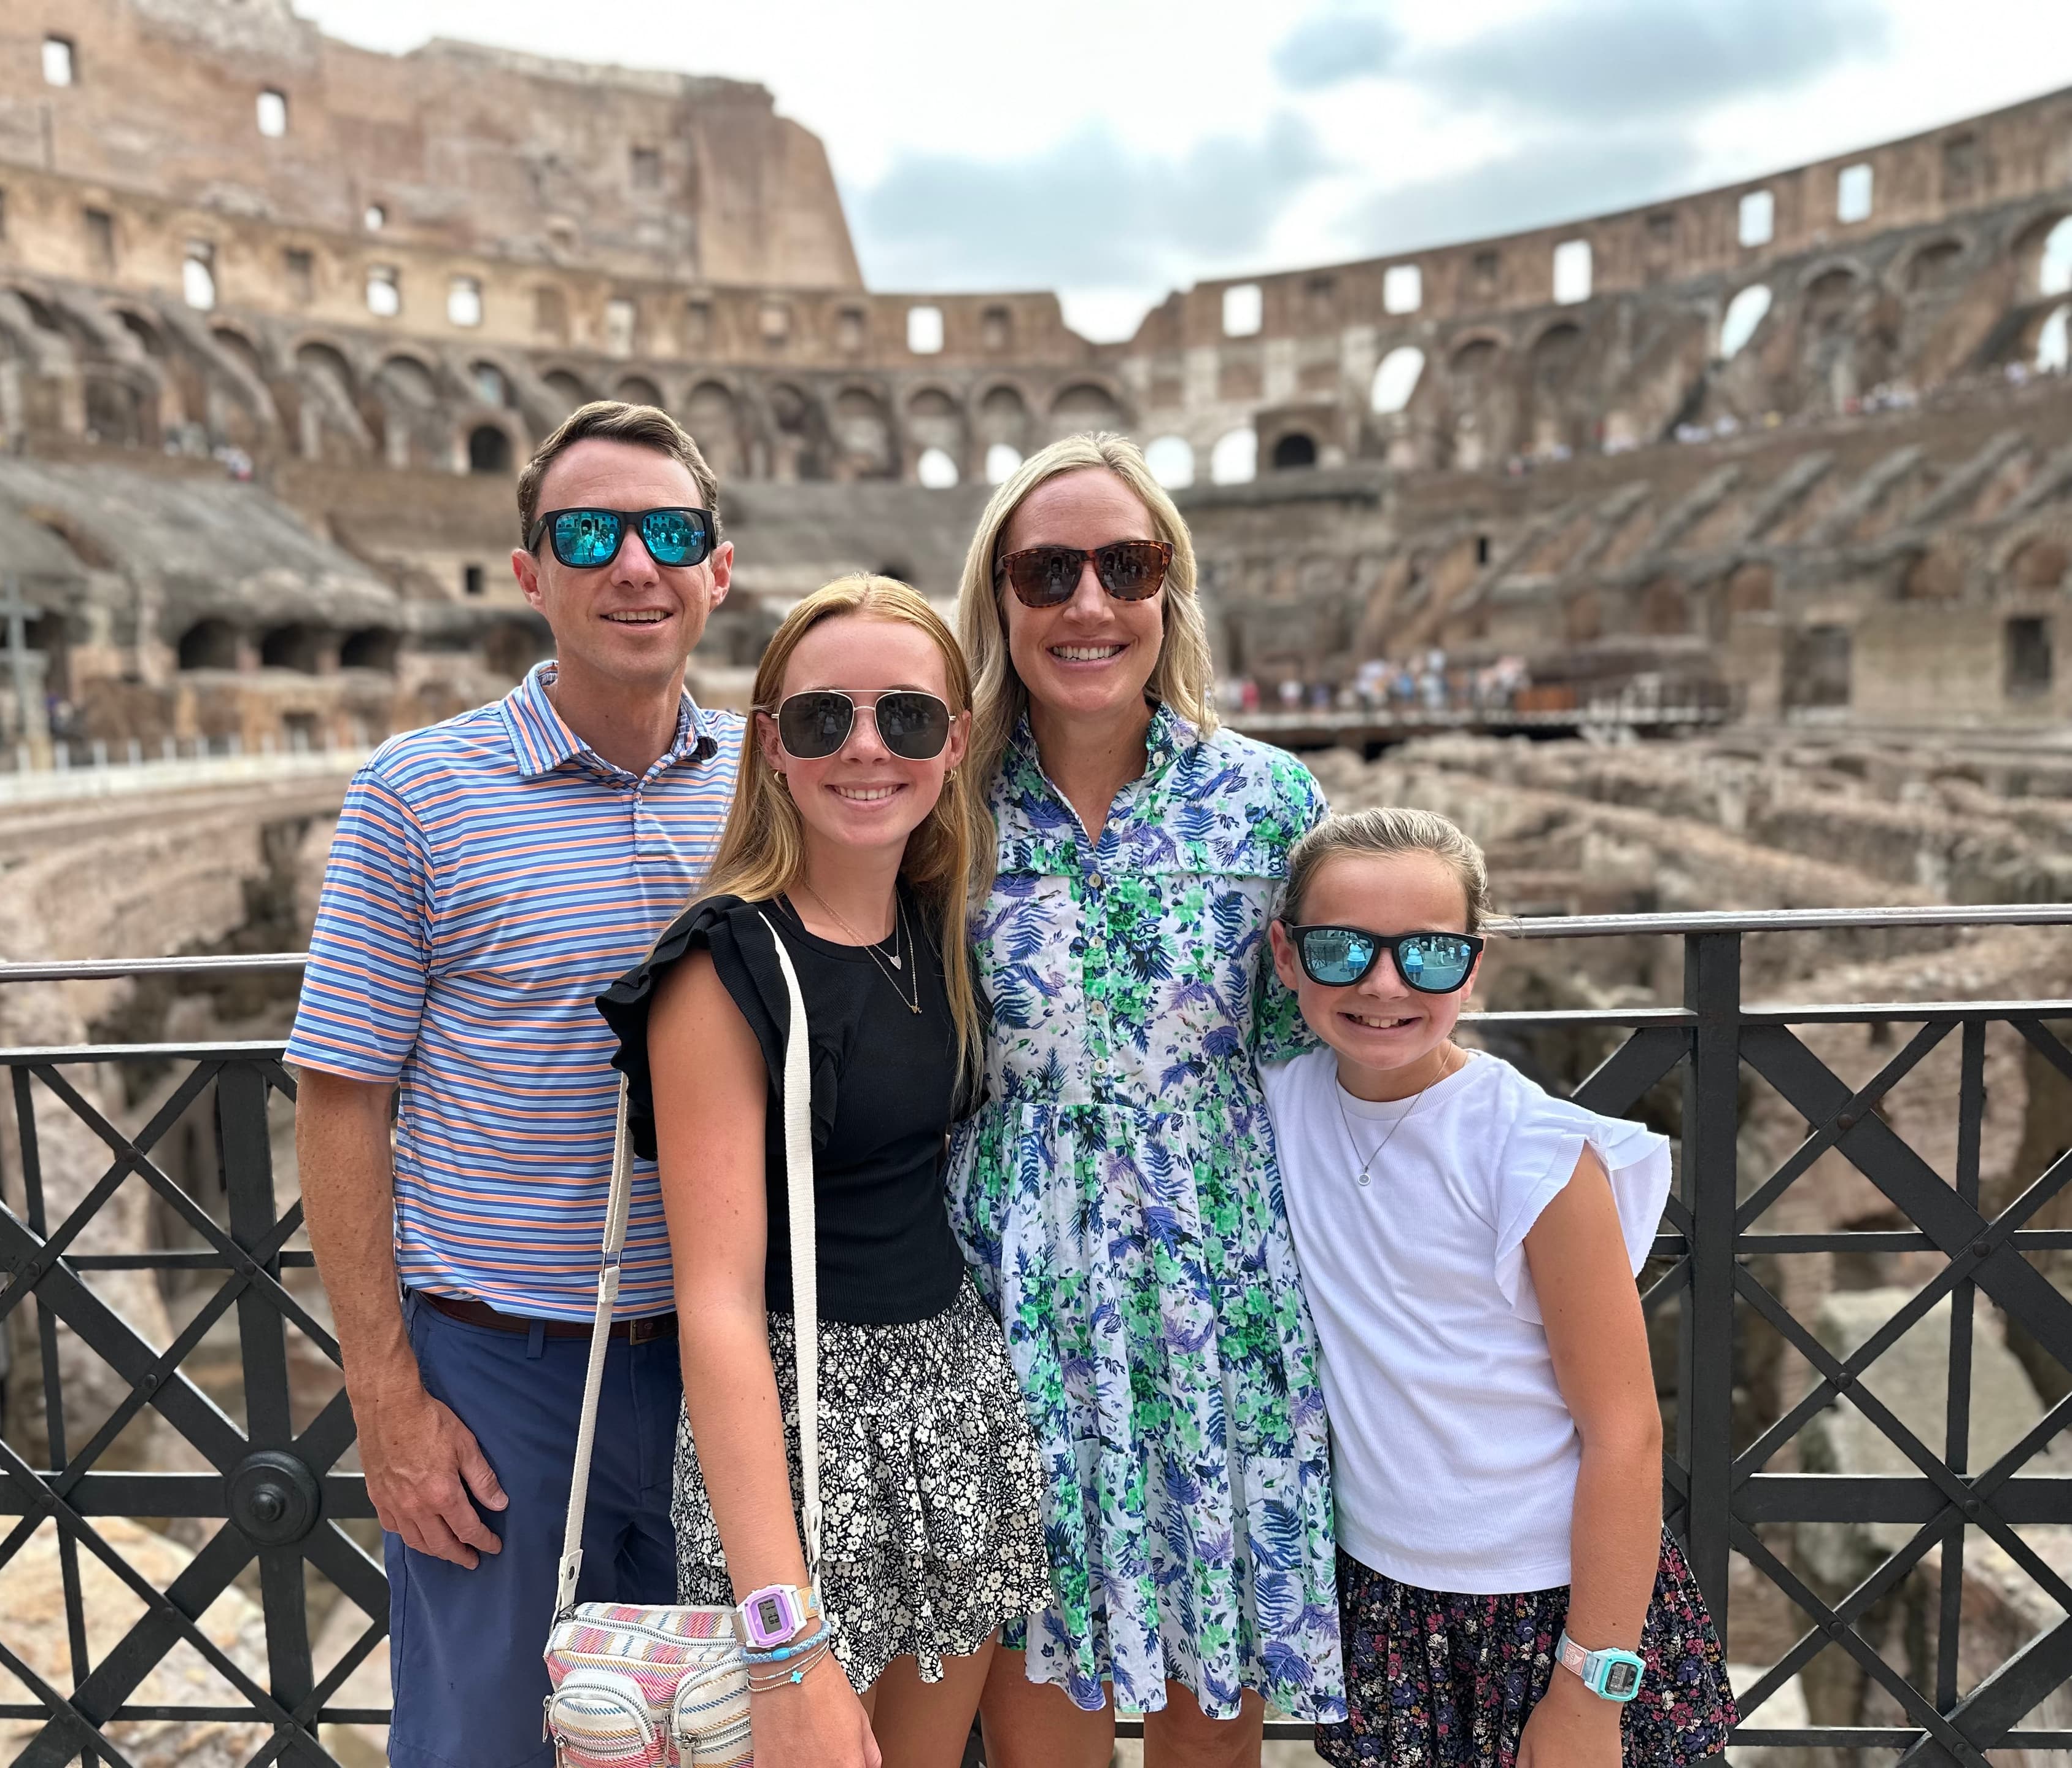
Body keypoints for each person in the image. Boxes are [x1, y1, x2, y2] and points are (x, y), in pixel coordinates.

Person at [286, 402, 739, 1768]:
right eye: (589, 534)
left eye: (671, 532)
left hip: (734, 1357)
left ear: (720, 569)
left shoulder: (774, 785)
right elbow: (339, 1096)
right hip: (501, 1364)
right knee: (488, 1739)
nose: (634, 566)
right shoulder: (418, 794)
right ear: (529, 571)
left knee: (721, 1735)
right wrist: (384, 1395)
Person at [597, 576, 1049, 1768]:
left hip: (955, 1407)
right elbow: (716, 1303)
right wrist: (783, 1637)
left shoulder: (928, 925)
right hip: (807, 1440)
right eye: (820, 720)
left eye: (905, 718)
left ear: (954, 744)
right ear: (772, 749)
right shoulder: (724, 966)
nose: (864, 748)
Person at [946, 433, 1343, 1766]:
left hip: (1211, 1295)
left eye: (1129, 565)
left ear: (1170, 589)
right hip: (1007, 1294)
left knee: (1205, 1726)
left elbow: (1321, 1047)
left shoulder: (1269, 801)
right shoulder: (941, 806)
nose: (1089, 603)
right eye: (1047, 571)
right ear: (1000, 599)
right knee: (1034, 1697)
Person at [1257, 808, 1737, 1768]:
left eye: (1429, 955)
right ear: (1286, 956)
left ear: (1474, 967)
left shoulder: (1537, 1154)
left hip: (1552, 1607)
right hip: (1383, 1596)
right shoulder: (1273, 1103)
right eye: (1343, 948)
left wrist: (1591, 1689)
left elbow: (1625, 1432)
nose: (1385, 984)